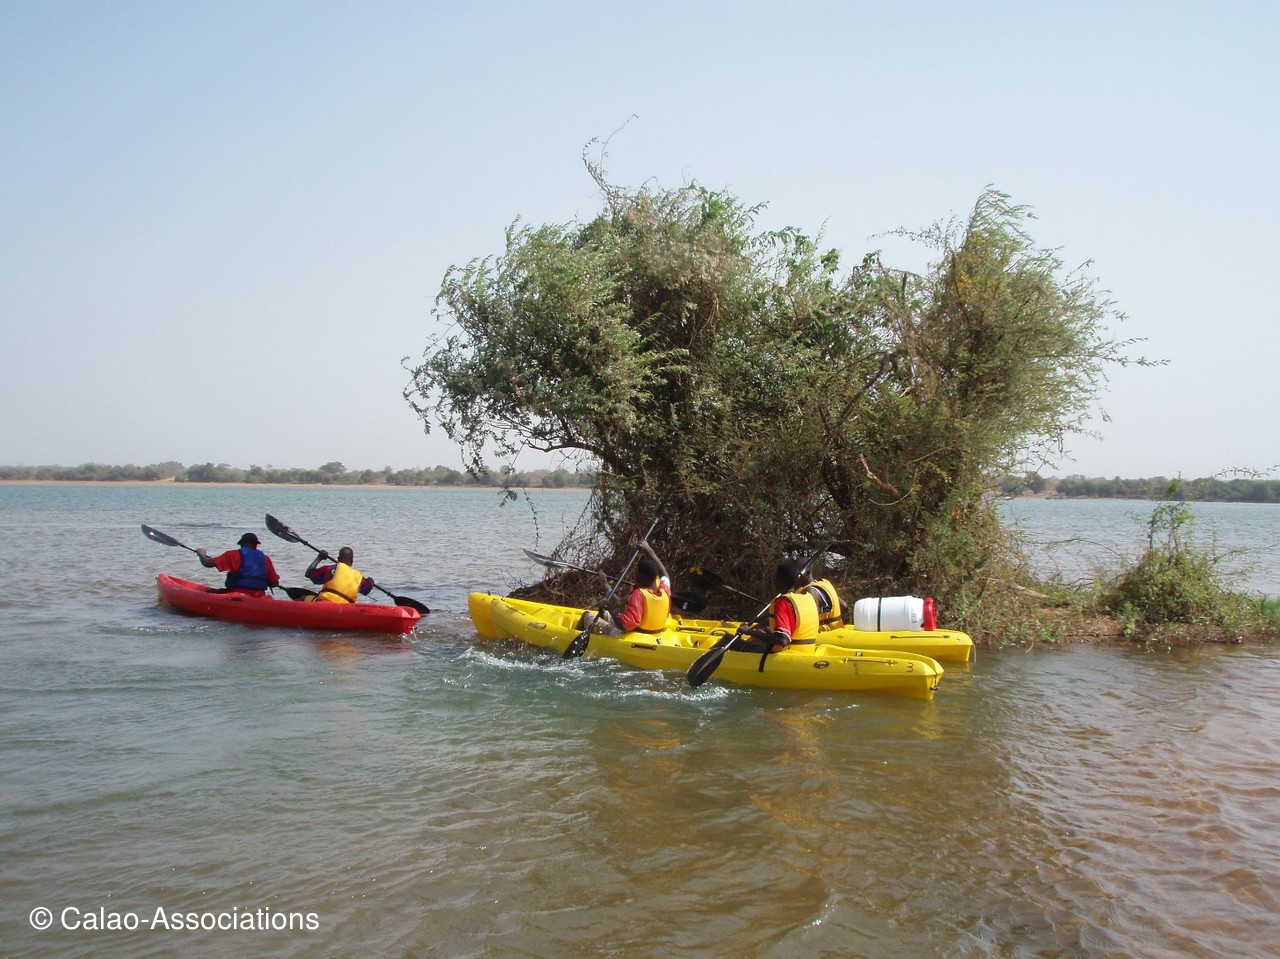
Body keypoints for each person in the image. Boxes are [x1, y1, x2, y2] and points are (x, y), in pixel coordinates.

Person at [580, 539, 671, 635]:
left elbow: (624, 625)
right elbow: (665, 575)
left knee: (587, 617)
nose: (635, 578)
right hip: (654, 634)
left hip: (630, 635)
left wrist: (610, 608)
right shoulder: (664, 590)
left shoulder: (639, 595)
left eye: (637, 575)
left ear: (643, 578)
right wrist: (650, 552)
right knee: (604, 615)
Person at [736, 560, 820, 653]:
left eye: (774, 578)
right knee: (757, 638)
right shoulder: (806, 597)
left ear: (780, 582)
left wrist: (749, 631)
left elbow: (783, 639)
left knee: (728, 639)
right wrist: (757, 630)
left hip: (785, 654)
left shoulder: (782, 602)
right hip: (806, 651)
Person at [195, 532, 281, 596]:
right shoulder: (265, 559)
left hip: (237, 595)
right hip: (259, 596)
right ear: (256, 545)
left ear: (242, 544)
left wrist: (201, 554)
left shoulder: (234, 555)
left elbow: (207, 563)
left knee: (211, 592)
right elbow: (274, 583)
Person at [304, 546, 374, 604]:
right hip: (345, 607)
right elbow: (367, 590)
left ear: (338, 559)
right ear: (352, 561)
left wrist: (319, 558)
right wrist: (371, 582)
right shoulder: (358, 577)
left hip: (325, 602)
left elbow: (309, 573)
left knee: (302, 598)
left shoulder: (330, 569)